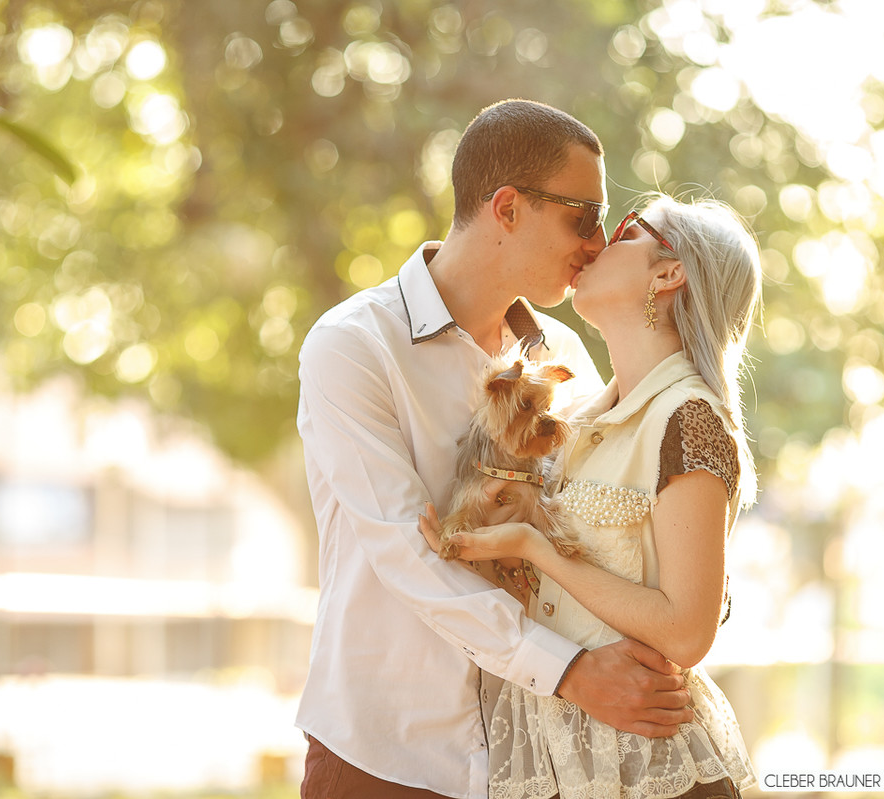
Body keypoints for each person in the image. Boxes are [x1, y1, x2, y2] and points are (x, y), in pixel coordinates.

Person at [296, 99, 696, 799]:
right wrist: (570, 672)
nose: (597, 244)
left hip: (537, 763)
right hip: (386, 758)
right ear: (507, 207)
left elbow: (601, 527)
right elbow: (409, 550)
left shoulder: (564, 356)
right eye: (584, 217)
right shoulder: (353, 347)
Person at [420, 193, 763, 798]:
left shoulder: (689, 418)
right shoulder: (573, 422)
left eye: (626, 230)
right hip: (548, 762)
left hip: (648, 768)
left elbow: (687, 633)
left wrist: (535, 546)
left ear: (668, 273)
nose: (597, 242)